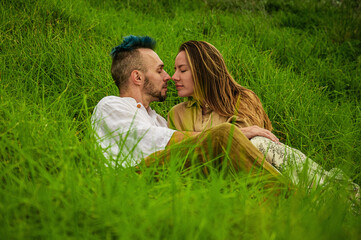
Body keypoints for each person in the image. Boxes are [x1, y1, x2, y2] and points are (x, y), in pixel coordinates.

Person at [168, 40, 360, 199]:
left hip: (259, 172)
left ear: (204, 70)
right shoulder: (176, 114)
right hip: (214, 182)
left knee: (259, 143)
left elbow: (245, 147)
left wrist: (202, 138)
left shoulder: (241, 98)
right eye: (175, 69)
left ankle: (330, 193)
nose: (174, 76)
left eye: (182, 70)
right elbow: (178, 152)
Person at [91, 35, 283, 184]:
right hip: (128, 179)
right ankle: (292, 198)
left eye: (179, 70)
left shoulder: (157, 119)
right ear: (138, 77)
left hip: (169, 179)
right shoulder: (111, 105)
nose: (169, 77)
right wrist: (231, 134)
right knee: (224, 135)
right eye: (160, 70)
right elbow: (153, 140)